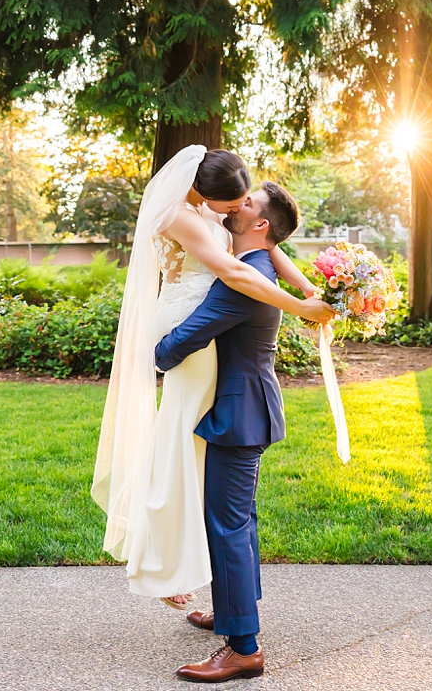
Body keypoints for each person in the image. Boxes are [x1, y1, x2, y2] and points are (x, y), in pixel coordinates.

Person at [90, 146, 333, 612]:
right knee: (180, 443)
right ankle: (163, 565)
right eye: (234, 205)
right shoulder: (178, 215)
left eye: (245, 204)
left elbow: (269, 248)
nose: (239, 210)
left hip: (208, 313)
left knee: (196, 452)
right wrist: (299, 308)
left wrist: (306, 287)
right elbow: (229, 270)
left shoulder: (208, 203)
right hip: (187, 318)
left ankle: (197, 574)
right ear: (208, 193)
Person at [154, 180, 302, 682]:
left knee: (228, 525)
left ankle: (243, 648)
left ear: (260, 225)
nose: (237, 206)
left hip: (239, 415)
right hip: (247, 407)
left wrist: (149, 349)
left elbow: (185, 339)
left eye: (248, 204)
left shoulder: (244, 279)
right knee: (239, 519)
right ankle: (232, 610)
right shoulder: (257, 265)